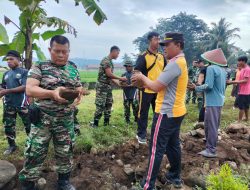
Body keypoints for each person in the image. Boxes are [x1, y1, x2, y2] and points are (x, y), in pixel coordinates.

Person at [19, 35, 83, 190]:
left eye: (64, 51)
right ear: (50, 50)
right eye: (57, 51)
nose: (61, 55)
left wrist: (77, 96)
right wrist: (52, 93)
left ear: (69, 51)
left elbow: (78, 89)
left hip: (65, 121)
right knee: (35, 152)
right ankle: (28, 184)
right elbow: (30, 89)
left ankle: (63, 182)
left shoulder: (73, 68)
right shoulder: (39, 66)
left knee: (65, 151)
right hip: (43, 120)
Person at [132, 32, 188, 189]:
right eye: (162, 45)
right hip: (176, 112)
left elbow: (156, 86)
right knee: (173, 145)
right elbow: (160, 84)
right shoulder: (180, 61)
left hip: (165, 113)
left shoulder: (174, 64)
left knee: (156, 148)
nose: (164, 48)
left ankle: (148, 184)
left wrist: (142, 78)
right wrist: (145, 82)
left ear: (177, 45)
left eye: (167, 45)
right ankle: (175, 176)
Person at [188, 48, 227, 158]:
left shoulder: (211, 68)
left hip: (212, 101)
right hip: (219, 101)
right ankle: (210, 143)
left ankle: (211, 150)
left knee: (211, 125)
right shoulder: (222, 70)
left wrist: (196, 88)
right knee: (212, 124)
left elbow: (209, 86)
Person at [134, 32, 166, 144]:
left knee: (159, 112)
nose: (158, 41)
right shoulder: (143, 57)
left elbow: (166, 71)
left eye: (159, 39)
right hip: (146, 90)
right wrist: (140, 85)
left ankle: (157, 133)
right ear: (150, 41)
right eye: (156, 39)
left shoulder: (162, 57)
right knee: (143, 113)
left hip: (158, 90)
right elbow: (136, 72)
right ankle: (141, 134)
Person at [0, 50, 31, 155]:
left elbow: (24, 87)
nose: (9, 61)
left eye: (11, 59)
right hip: (8, 104)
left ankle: (31, 145)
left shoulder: (25, 72)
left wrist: (6, 91)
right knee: (8, 126)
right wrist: (1, 90)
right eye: (7, 59)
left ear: (18, 60)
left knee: (29, 126)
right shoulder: (6, 74)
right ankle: (12, 146)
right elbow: (3, 86)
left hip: (22, 105)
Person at [90, 46, 127, 128]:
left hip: (107, 86)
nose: (118, 55)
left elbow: (110, 77)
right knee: (100, 105)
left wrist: (119, 85)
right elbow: (109, 74)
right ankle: (95, 124)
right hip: (102, 87)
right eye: (117, 53)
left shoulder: (110, 62)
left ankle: (106, 123)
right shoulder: (106, 61)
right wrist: (121, 78)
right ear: (113, 52)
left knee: (108, 104)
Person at [227, 56, 250, 122]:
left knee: (241, 107)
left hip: (244, 91)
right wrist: (232, 82)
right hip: (243, 90)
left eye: (239, 61)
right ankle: (246, 118)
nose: (238, 63)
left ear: (243, 61)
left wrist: (232, 82)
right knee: (246, 105)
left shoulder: (247, 69)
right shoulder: (242, 69)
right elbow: (240, 80)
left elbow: (245, 80)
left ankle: (239, 121)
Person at [121, 60, 139, 124]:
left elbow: (139, 83)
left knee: (135, 107)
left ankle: (136, 119)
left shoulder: (135, 74)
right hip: (126, 93)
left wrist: (133, 85)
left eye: (128, 66)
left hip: (134, 92)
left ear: (132, 66)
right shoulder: (123, 74)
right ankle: (127, 120)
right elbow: (120, 83)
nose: (127, 67)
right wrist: (123, 85)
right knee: (126, 107)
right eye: (126, 66)